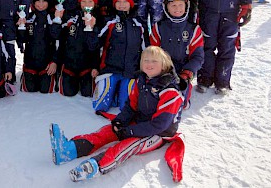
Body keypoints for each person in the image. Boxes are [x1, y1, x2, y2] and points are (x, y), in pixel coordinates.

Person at [49, 46, 186, 182]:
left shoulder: (170, 91)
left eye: (154, 61)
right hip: (141, 122)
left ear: (164, 64)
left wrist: (129, 131)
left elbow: (159, 125)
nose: (149, 64)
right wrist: (119, 122)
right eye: (146, 60)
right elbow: (130, 106)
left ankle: (94, 166)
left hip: (158, 133)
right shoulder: (142, 81)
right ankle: (68, 150)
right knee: (107, 131)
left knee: (128, 145)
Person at [150, 0, 204, 109]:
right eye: (173, 5)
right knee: (153, 100)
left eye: (180, 5)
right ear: (166, 7)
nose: (177, 8)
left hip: (182, 72)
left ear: (186, 6)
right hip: (163, 70)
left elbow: (198, 56)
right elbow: (153, 52)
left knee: (179, 104)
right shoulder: (159, 28)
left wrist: (187, 73)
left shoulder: (193, 29)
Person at [93, 0, 145, 112]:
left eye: (125, 2)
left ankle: (118, 92)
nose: (122, 5)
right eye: (118, 2)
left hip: (130, 72)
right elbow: (95, 45)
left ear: (131, 4)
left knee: (126, 107)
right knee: (100, 106)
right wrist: (90, 29)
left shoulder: (139, 24)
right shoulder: (109, 22)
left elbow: (146, 49)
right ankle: (112, 91)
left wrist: (143, 71)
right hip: (110, 70)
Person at [54, 0, 100, 97]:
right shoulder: (71, 19)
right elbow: (56, 35)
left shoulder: (99, 20)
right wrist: (57, 19)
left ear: (95, 3)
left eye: (90, 1)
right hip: (70, 64)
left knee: (87, 93)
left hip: (87, 65)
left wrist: (91, 28)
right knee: (67, 92)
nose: (87, 4)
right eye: (84, 1)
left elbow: (94, 47)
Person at [17, 0, 58, 93]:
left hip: (46, 63)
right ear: (33, 3)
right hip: (31, 61)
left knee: (45, 89)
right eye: (38, 1)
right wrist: (21, 26)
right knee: (30, 89)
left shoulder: (52, 18)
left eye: (44, 1)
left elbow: (57, 40)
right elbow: (23, 39)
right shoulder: (29, 18)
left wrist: (54, 61)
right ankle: (26, 73)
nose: (41, 4)